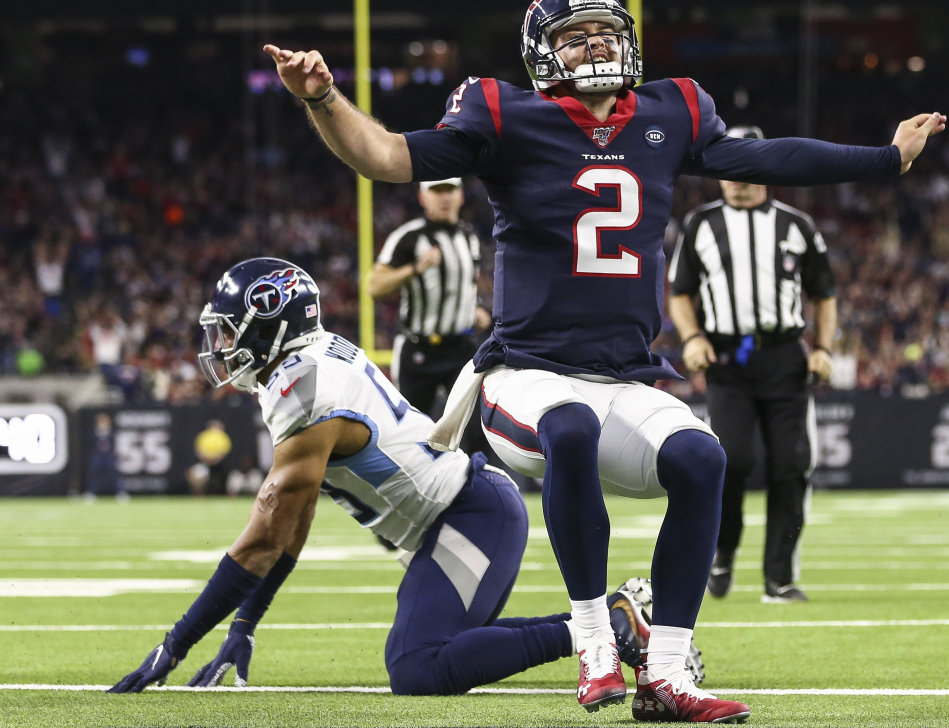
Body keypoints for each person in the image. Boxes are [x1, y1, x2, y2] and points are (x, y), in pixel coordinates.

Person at [264, 0, 945, 723]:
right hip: (522, 374)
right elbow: (387, 158)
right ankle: (593, 639)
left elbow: (767, 159)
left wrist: (886, 158)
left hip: (624, 374)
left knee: (704, 458)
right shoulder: (505, 113)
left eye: (603, 32)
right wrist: (323, 98)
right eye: (575, 36)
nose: (595, 46)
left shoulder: (670, 109)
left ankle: (665, 670)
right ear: (541, 54)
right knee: (570, 427)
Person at [109, 257, 690, 696]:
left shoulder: (302, 391)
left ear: (270, 326)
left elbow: (264, 535)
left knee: (418, 666)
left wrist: (175, 644)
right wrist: (245, 622)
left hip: (472, 516)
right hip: (460, 518)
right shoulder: (307, 364)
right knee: (444, 649)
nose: (224, 346)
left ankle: (610, 629)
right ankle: (613, 620)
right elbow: (292, 522)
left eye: (233, 330)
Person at [667, 124, 835, 604]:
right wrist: (693, 337)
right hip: (727, 355)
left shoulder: (797, 225)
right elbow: (680, 293)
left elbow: (824, 294)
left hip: (784, 354)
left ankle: (779, 579)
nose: (738, 177)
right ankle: (722, 551)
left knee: (792, 465)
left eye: (747, 164)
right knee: (732, 459)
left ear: (767, 167)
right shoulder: (700, 224)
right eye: (729, 166)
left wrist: (822, 347)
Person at [368, 176, 492, 463]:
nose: (444, 197)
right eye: (437, 191)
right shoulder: (409, 237)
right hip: (418, 348)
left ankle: (473, 494)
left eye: (450, 190)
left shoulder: (468, 236)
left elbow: (462, 286)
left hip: (460, 346)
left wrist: (471, 311)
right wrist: (415, 267)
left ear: (461, 195)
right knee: (410, 430)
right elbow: (375, 286)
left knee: (473, 429)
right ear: (423, 197)